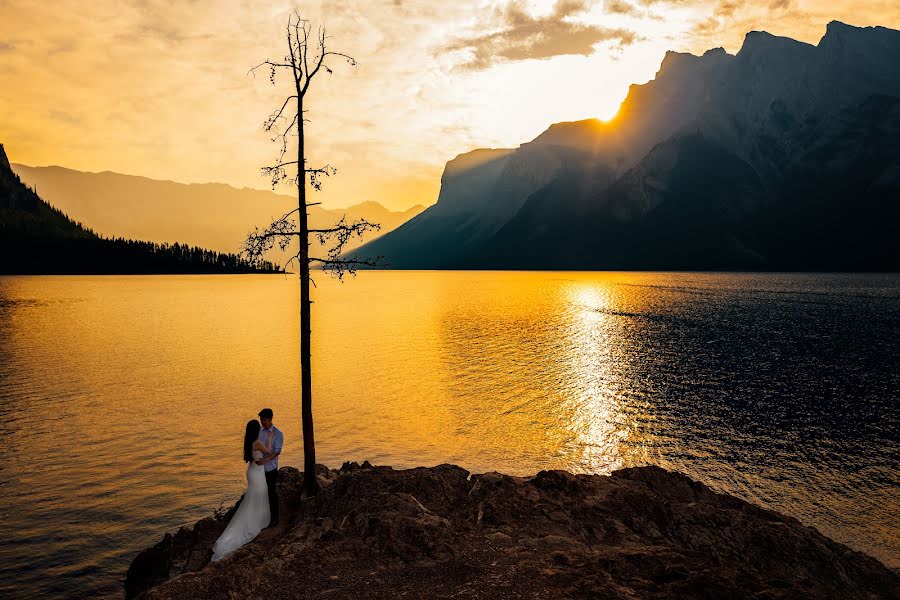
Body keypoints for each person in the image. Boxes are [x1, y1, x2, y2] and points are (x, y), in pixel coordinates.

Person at [210, 420, 273, 561]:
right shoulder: (257, 442)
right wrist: (269, 438)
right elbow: (269, 451)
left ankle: (256, 519)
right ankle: (257, 521)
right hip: (257, 473)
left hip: (252, 471)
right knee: (259, 495)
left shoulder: (249, 442)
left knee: (253, 498)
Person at [255, 408, 283, 527]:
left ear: (270, 419)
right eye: (261, 419)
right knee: (260, 492)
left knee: (271, 492)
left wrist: (265, 460)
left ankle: (274, 518)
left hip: (270, 468)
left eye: (264, 420)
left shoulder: (277, 433)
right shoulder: (260, 432)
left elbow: (277, 451)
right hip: (259, 468)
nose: (262, 422)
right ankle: (263, 517)